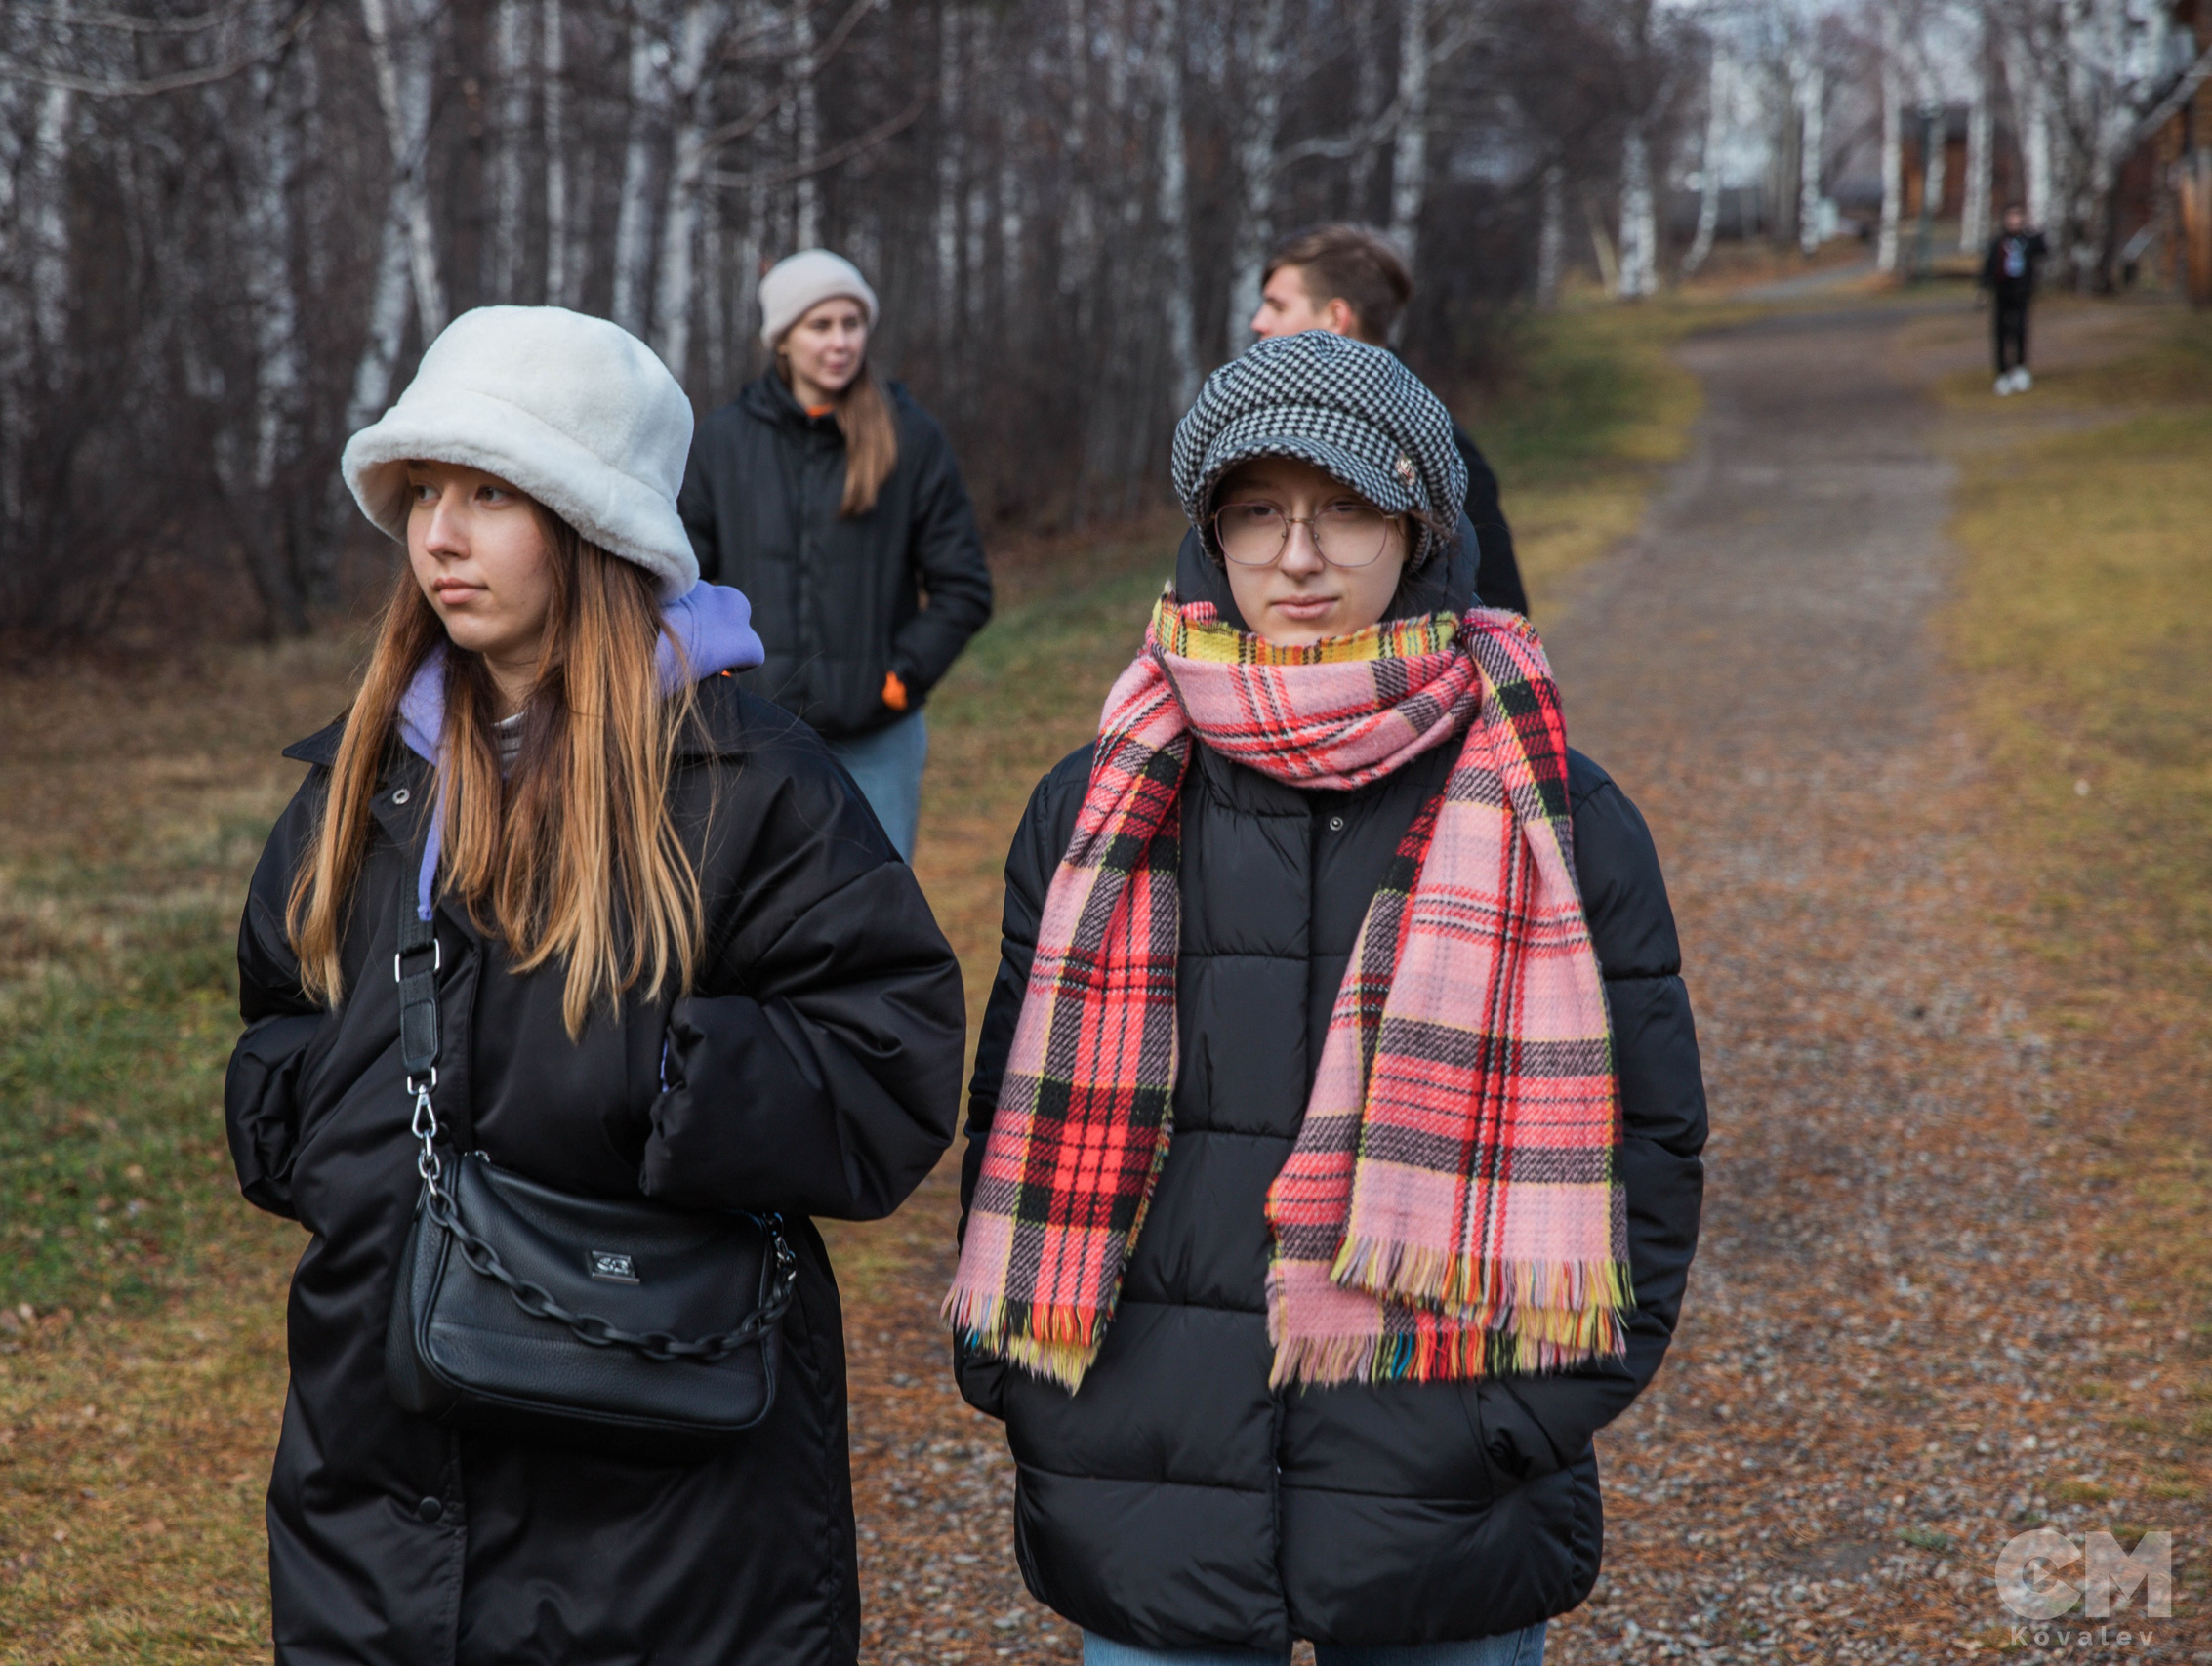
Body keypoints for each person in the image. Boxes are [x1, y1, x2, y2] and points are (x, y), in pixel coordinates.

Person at [948, 331, 1707, 1665]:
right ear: (1212, 533)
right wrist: (1034, 1398)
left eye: (1344, 507)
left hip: (1447, 1491)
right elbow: (1006, 1109)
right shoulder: (1095, 803)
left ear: (1418, 528)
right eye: (1258, 510)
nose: (1297, 554)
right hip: (1152, 1485)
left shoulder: (1561, 813)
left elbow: (1651, 1148)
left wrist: (1519, 1422)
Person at [223, 305, 966, 1666]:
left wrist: (660, 1080)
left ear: (596, 523)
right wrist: (315, 1128)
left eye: (491, 493)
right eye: (425, 494)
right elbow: (282, 995)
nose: (439, 534)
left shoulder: (746, 778)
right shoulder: (371, 774)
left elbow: (889, 1057)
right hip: (376, 1445)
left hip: (655, 1472)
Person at [679, 248, 994, 861]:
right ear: (782, 339)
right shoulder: (723, 442)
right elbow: (685, 581)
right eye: (820, 326)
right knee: (756, 924)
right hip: (751, 734)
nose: (840, 341)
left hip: (877, 740)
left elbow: (964, 586)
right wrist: (716, 680)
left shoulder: (910, 436)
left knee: (878, 919)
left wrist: (899, 682)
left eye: (852, 324)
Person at [1249, 223, 1528, 613]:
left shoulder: (1437, 449)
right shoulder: (1262, 434)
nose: (1258, 322)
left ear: (1335, 317)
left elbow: (1498, 614)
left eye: (1277, 306)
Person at [1979, 205, 2047, 395]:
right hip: (2002, 292)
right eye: (2011, 217)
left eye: (2018, 217)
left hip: (2022, 293)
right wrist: (1983, 289)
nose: (2015, 221)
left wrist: (2036, 229)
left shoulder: (2029, 240)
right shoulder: (1999, 241)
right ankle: (2002, 374)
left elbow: (2043, 250)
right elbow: (1988, 266)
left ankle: (2020, 368)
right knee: (2001, 333)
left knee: (2020, 331)